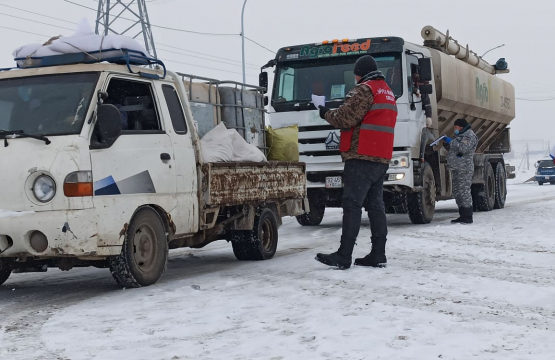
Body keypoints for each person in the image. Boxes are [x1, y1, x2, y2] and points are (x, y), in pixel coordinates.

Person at [315, 55, 398, 270]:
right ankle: (378, 253)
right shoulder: (387, 92)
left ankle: (344, 255)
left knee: (352, 204)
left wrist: (325, 112)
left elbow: (345, 119)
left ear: (358, 73)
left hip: (361, 155)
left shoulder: (364, 89)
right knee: (375, 206)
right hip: (381, 157)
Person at [442, 118, 478, 224]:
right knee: (457, 192)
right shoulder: (459, 136)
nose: (454, 129)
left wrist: (451, 141)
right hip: (457, 168)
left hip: (464, 169)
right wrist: (446, 143)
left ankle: (467, 216)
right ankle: (462, 215)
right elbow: (454, 150)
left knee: (464, 192)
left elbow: (462, 148)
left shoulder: (469, 136)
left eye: (455, 127)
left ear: (460, 126)